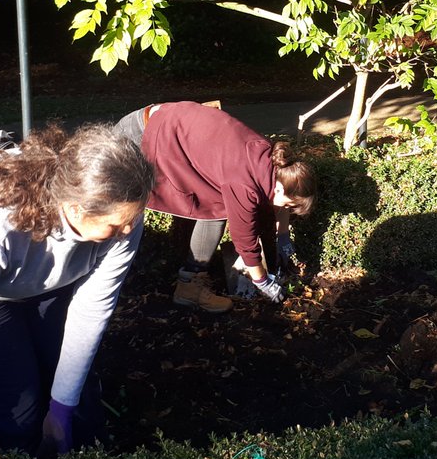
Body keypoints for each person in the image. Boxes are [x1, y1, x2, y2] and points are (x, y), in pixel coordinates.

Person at [0, 123, 154, 459]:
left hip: (44, 278)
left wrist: (62, 408)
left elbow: (92, 310)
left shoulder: (123, 218)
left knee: (80, 410)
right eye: (116, 225)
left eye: (132, 219)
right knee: (16, 409)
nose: (127, 231)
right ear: (76, 207)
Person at [115, 101, 317, 313]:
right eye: (288, 204)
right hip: (139, 138)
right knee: (119, 215)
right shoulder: (244, 184)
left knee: (216, 205)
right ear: (278, 190)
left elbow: (278, 203)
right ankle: (175, 287)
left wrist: (283, 236)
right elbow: (245, 243)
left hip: (162, 125)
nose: (285, 208)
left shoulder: (271, 159)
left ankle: (188, 282)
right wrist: (263, 282)